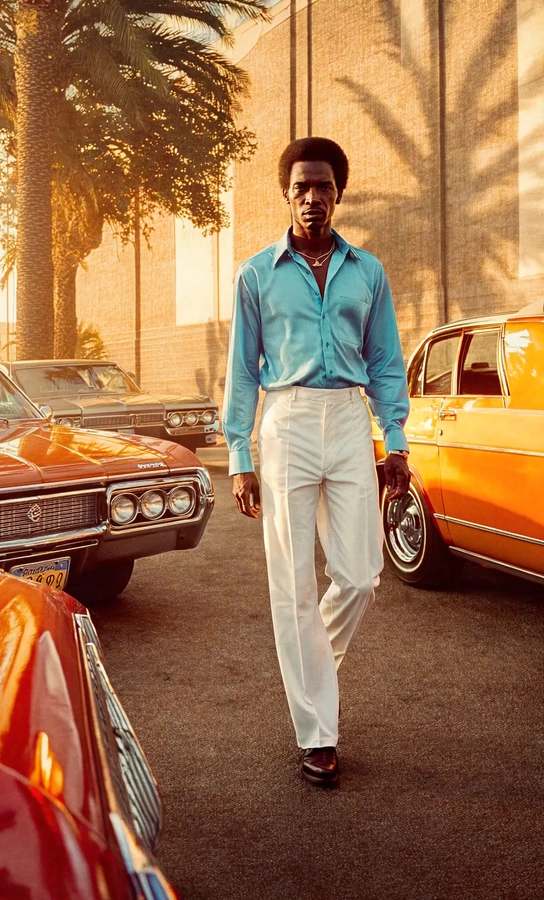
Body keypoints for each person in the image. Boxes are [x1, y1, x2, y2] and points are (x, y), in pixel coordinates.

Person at [222, 137, 411, 787]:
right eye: (301, 186)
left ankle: (311, 669)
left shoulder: (368, 272)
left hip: (349, 422)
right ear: (286, 193)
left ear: (339, 192)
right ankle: (317, 735)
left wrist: (397, 441)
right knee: (292, 584)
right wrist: (238, 454)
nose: (312, 197)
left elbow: (386, 363)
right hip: (288, 421)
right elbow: (242, 372)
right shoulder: (256, 274)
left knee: (360, 574)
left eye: (323, 186)